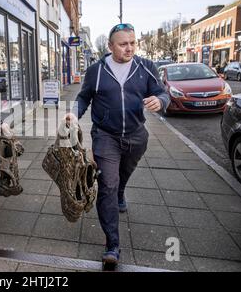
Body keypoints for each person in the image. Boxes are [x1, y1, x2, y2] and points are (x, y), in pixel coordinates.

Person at [66, 23, 170, 267]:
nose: (130, 48)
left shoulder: (146, 67)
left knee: (123, 175)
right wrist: (73, 114)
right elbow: (83, 98)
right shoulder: (96, 71)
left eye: (133, 43)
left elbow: (163, 92)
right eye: (123, 44)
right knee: (107, 186)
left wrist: (161, 100)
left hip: (136, 136)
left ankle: (122, 191)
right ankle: (112, 245)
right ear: (110, 46)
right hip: (105, 136)